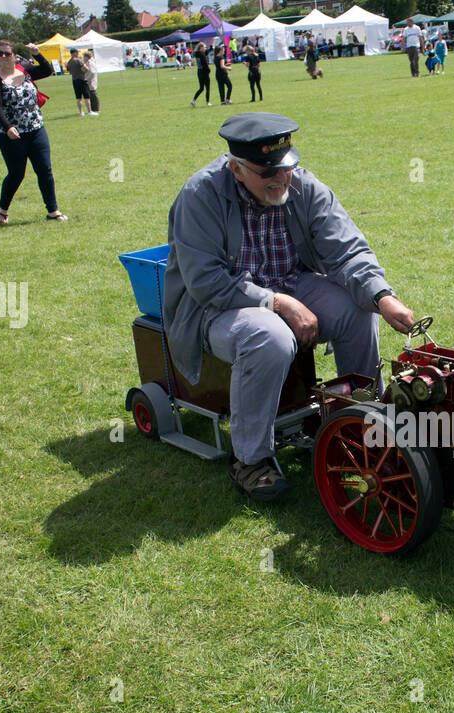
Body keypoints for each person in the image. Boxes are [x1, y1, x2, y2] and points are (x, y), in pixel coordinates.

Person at [162, 113, 416, 501]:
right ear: (237, 169)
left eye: (287, 168)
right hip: (216, 307)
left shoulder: (303, 186)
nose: (282, 179)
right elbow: (206, 282)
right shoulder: (199, 196)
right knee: (271, 336)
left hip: (289, 283)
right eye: (269, 173)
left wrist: (383, 296)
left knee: (356, 312)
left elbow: (346, 249)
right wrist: (277, 302)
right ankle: (249, 459)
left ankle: (362, 425)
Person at [0, 40, 67, 223]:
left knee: (44, 169)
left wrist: (37, 54)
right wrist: (8, 127)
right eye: (0, 53)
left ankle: (53, 210)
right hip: (11, 134)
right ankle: (2, 210)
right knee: (16, 173)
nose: (4, 57)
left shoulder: (25, 70)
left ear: (15, 56)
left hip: (35, 128)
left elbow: (47, 70)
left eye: (8, 53)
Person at [67, 49, 90, 116]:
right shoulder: (78, 60)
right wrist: (83, 72)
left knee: (78, 97)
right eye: (77, 52)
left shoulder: (69, 61)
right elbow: (86, 68)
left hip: (74, 80)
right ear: (74, 53)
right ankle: (89, 111)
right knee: (86, 96)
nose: (78, 53)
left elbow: (69, 70)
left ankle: (81, 112)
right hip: (82, 79)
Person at [214, 41, 233, 106]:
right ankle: (228, 99)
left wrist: (226, 64)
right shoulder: (221, 57)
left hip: (218, 74)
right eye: (223, 49)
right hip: (223, 74)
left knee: (221, 87)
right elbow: (222, 66)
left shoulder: (215, 57)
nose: (224, 50)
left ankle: (222, 101)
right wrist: (228, 68)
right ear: (220, 51)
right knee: (229, 86)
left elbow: (219, 65)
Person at [82, 50, 100, 116]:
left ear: (87, 57)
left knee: (93, 95)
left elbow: (92, 72)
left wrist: (87, 80)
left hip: (91, 82)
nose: (83, 58)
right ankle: (92, 109)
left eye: (84, 57)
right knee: (90, 95)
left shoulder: (90, 63)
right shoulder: (86, 63)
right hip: (88, 82)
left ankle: (96, 109)